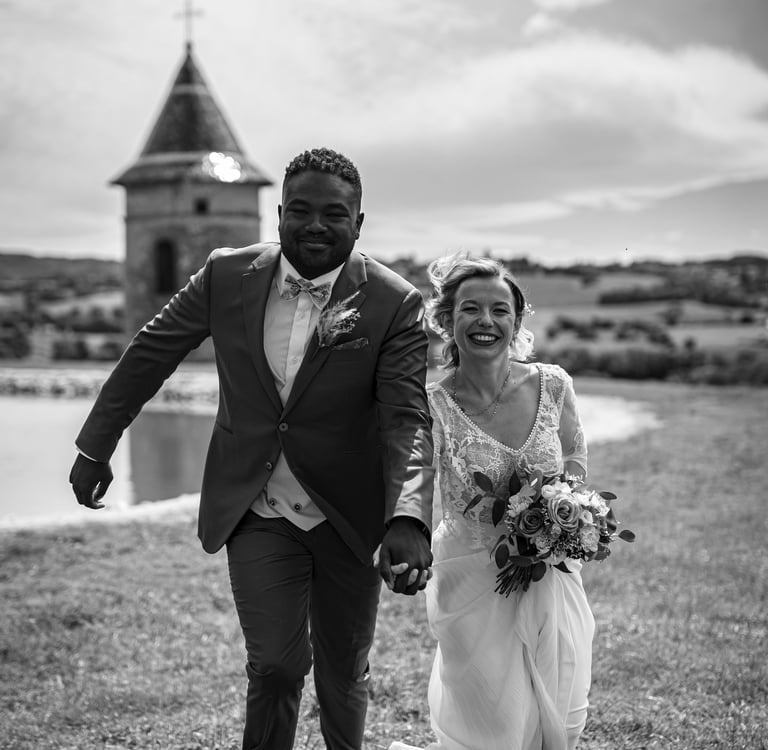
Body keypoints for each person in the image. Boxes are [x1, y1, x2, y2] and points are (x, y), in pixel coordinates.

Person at [69, 147, 435, 750]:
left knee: (344, 671)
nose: (315, 225)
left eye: (334, 214)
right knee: (275, 666)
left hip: (349, 512)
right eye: (300, 210)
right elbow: (150, 354)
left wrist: (407, 515)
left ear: (359, 222)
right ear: (279, 214)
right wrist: (96, 445)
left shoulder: (394, 302)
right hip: (257, 505)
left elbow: (406, 419)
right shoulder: (225, 275)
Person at [390, 253, 594, 750]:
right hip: (471, 578)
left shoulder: (553, 384)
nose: (486, 321)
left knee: (560, 714)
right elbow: (416, 476)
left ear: (517, 322)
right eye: (471, 309)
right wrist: (404, 531)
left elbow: (573, 458)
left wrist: (562, 511)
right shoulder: (432, 405)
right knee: (492, 724)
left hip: (551, 573)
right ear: (446, 320)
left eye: (500, 310)